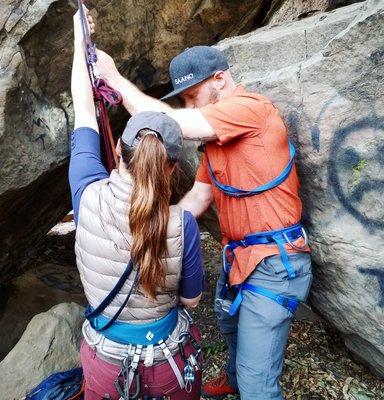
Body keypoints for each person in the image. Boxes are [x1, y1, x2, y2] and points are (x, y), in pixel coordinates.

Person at [94, 39, 313, 399]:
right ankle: (235, 377)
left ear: (220, 79)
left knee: (259, 383)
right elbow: (197, 199)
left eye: (191, 96)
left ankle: (250, 384)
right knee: (229, 326)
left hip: (275, 262)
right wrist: (146, 226)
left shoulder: (252, 109)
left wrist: (114, 79)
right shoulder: (218, 145)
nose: (187, 105)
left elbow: (165, 124)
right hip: (238, 259)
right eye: (183, 100)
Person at [69, 9, 204, 400]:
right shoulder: (182, 225)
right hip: (166, 368)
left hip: (105, 366)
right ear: (173, 167)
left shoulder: (87, 196)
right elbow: (191, 299)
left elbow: (82, 108)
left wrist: (80, 43)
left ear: (115, 150)